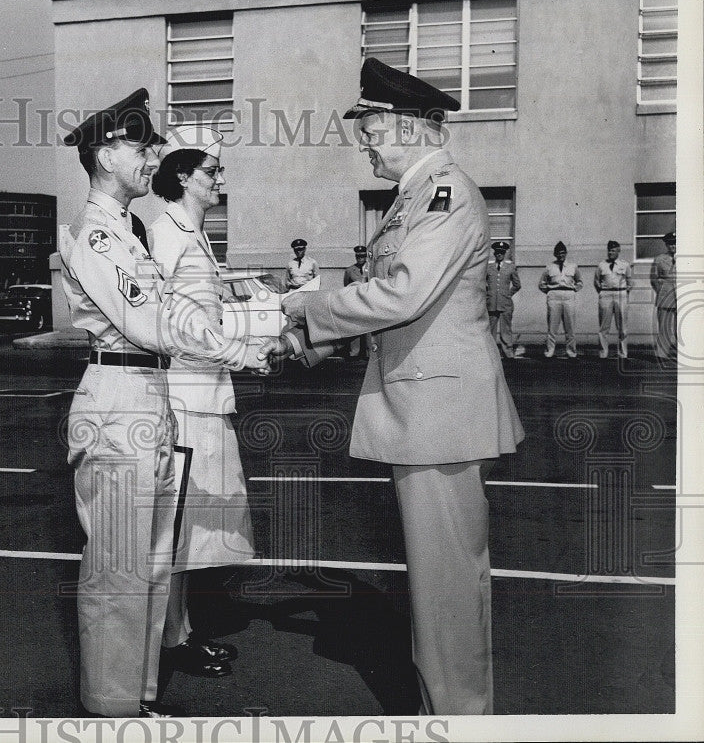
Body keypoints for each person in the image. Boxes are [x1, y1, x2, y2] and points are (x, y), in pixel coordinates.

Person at [265, 57, 524, 715]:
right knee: (439, 588)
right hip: (427, 410)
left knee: (446, 591)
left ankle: (461, 718)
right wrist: (302, 341)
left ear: (411, 125)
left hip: (440, 414)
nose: (366, 140)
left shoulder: (444, 193)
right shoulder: (417, 195)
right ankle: (450, 709)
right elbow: (396, 306)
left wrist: (305, 308)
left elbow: (402, 294)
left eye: (372, 125)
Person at [59, 89, 268, 718]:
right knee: (119, 576)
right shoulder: (96, 237)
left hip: (150, 397)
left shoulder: (129, 231)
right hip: (118, 400)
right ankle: (110, 712)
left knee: (150, 569)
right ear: (102, 154)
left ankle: (137, 701)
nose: (153, 155)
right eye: (139, 144)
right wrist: (246, 342)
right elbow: (151, 320)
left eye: (153, 144)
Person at [147, 125, 255, 679]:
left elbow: (200, 301)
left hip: (205, 392)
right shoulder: (168, 232)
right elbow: (163, 316)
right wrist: (240, 350)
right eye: (211, 171)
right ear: (183, 175)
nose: (219, 179)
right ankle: (169, 641)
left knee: (188, 528)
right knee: (176, 524)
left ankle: (179, 632)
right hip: (184, 397)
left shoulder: (193, 229)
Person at [538, 241, 583, 358]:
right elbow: (542, 284)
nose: (561, 255)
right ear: (555, 254)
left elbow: (579, 282)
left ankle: (571, 352)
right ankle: (550, 351)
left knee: (570, 327)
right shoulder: (549, 267)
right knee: (552, 326)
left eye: (563, 253)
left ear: (566, 253)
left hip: (568, 296)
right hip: (554, 296)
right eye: (558, 253)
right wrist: (550, 292)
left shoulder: (573, 266)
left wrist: (573, 290)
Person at [593, 240, 633, 358]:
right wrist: (602, 292)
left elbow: (630, 281)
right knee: (603, 327)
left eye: (613, 250)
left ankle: (622, 353)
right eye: (609, 250)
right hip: (606, 295)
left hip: (620, 294)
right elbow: (596, 281)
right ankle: (603, 353)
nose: (610, 252)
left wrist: (625, 293)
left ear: (618, 251)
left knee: (622, 327)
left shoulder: (625, 265)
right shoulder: (601, 265)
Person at [485, 241, 522, 359]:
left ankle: (508, 352)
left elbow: (517, 284)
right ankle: (491, 353)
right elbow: (482, 283)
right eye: (497, 252)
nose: (499, 254)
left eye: (501, 252)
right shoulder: (488, 268)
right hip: (491, 303)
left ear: (505, 254)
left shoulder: (510, 267)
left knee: (506, 330)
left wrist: (508, 294)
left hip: (505, 303)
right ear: (494, 254)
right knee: (490, 330)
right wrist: (487, 294)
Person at [650, 231, 677, 361]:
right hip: (665, 296)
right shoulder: (660, 259)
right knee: (664, 327)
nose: (673, 246)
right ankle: (662, 355)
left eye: (675, 243)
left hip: (683, 297)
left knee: (683, 328)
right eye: (670, 244)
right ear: (666, 245)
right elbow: (653, 278)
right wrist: (661, 290)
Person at [342, 245, 370, 359]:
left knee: (369, 327)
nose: (360, 259)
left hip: (368, 302)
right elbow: (346, 286)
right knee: (355, 327)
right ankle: (354, 352)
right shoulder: (350, 271)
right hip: (356, 302)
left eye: (363, 256)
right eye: (358, 256)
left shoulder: (370, 269)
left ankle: (369, 352)